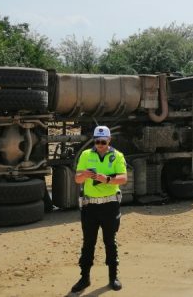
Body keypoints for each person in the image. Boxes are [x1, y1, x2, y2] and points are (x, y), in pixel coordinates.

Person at [72, 126, 128, 293]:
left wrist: (107, 179)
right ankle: (84, 278)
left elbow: (123, 178)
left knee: (110, 242)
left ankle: (113, 277)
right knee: (88, 242)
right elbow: (77, 178)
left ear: (109, 140)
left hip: (110, 205)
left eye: (103, 142)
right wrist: (85, 175)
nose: (100, 145)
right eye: (97, 141)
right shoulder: (86, 155)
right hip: (90, 206)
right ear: (94, 140)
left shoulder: (117, 156)